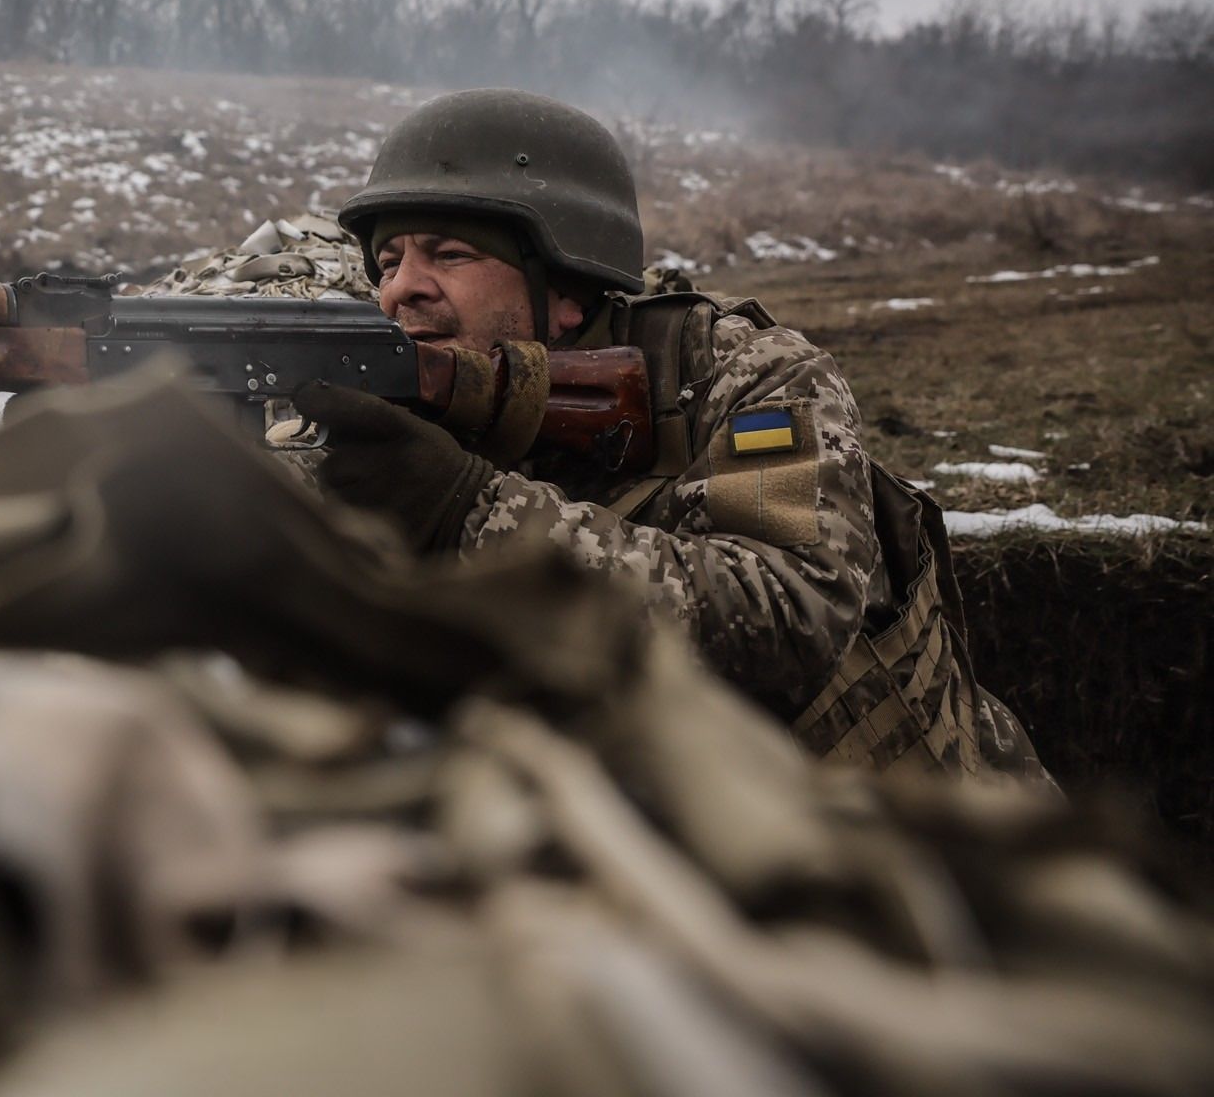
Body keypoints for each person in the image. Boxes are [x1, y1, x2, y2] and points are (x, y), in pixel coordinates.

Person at [293, 88, 1044, 779]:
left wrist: (470, 512)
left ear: (566, 284)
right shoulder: (400, 414)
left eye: (449, 253)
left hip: (914, 847)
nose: (401, 288)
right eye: (387, 262)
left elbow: (789, 615)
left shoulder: (747, 380)